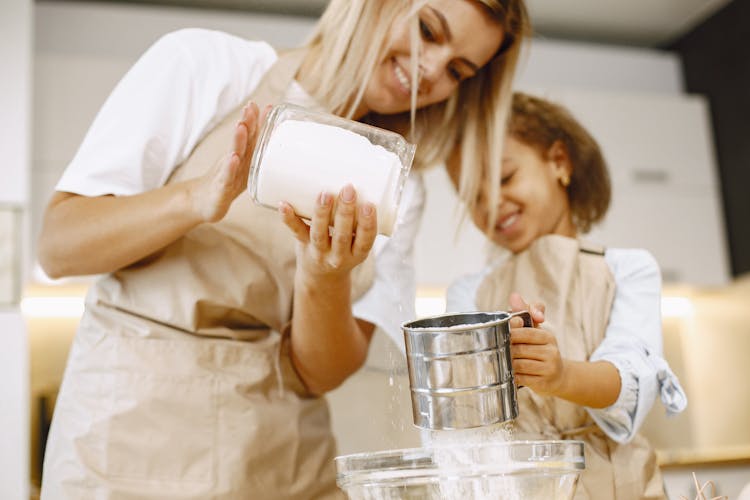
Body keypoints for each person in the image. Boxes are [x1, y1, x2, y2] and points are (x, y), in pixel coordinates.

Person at [37, 1, 531, 498]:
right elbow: (60, 246)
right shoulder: (210, 67)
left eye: (457, 70)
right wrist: (195, 199)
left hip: (280, 462)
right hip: (128, 446)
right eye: (428, 30)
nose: (431, 71)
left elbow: (321, 373)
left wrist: (324, 275)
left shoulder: (397, 187)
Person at [444, 92, 688, 499]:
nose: (491, 204)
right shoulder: (469, 293)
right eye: (473, 197)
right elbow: (462, 419)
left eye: (504, 178)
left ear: (559, 162)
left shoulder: (627, 269)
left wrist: (560, 376)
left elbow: (631, 381)